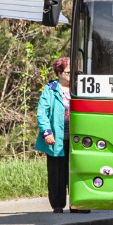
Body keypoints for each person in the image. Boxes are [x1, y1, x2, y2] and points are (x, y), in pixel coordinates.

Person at [36, 57, 83, 213]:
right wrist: (47, 132)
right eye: (68, 72)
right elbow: (42, 113)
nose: (71, 75)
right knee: (57, 172)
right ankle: (57, 204)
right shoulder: (50, 89)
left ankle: (78, 203)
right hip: (57, 138)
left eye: (73, 72)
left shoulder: (79, 88)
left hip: (78, 138)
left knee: (76, 170)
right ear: (59, 72)